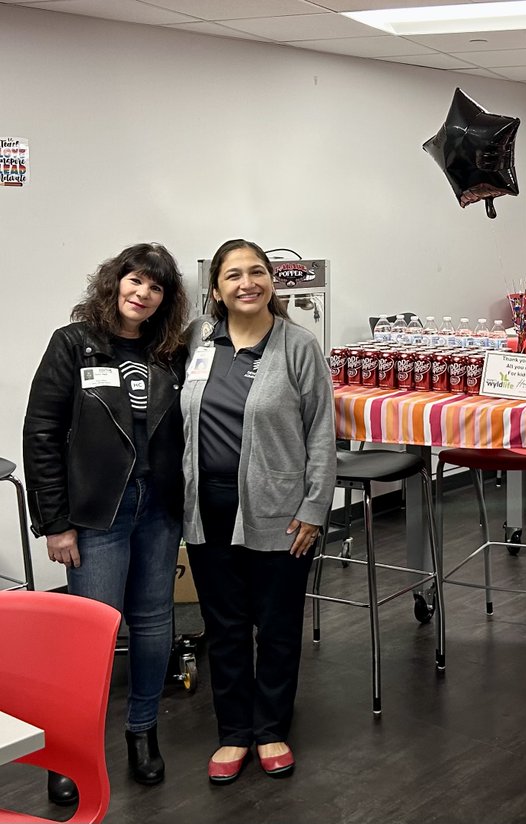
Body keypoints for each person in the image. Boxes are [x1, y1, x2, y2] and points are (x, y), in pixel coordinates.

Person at [23, 243, 190, 801]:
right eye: (135, 280)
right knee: (89, 634)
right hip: (98, 514)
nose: (142, 294)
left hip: (158, 508)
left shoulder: (172, 352)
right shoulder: (73, 344)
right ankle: (68, 748)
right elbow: (42, 434)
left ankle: (142, 732)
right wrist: (55, 523)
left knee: (152, 624)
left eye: (156, 287)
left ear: (166, 299)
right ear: (114, 282)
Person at [181, 239, 335, 784]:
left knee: (275, 626)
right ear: (216, 290)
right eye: (233, 276)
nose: (247, 283)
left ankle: (269, 728)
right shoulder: (199, 339)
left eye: (257, 272)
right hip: (208, 510)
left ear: (272, 280)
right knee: (222, 627)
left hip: (279, 512)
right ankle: (233, 733)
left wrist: (315, 508)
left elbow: (321, 431)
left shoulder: (298, 345)